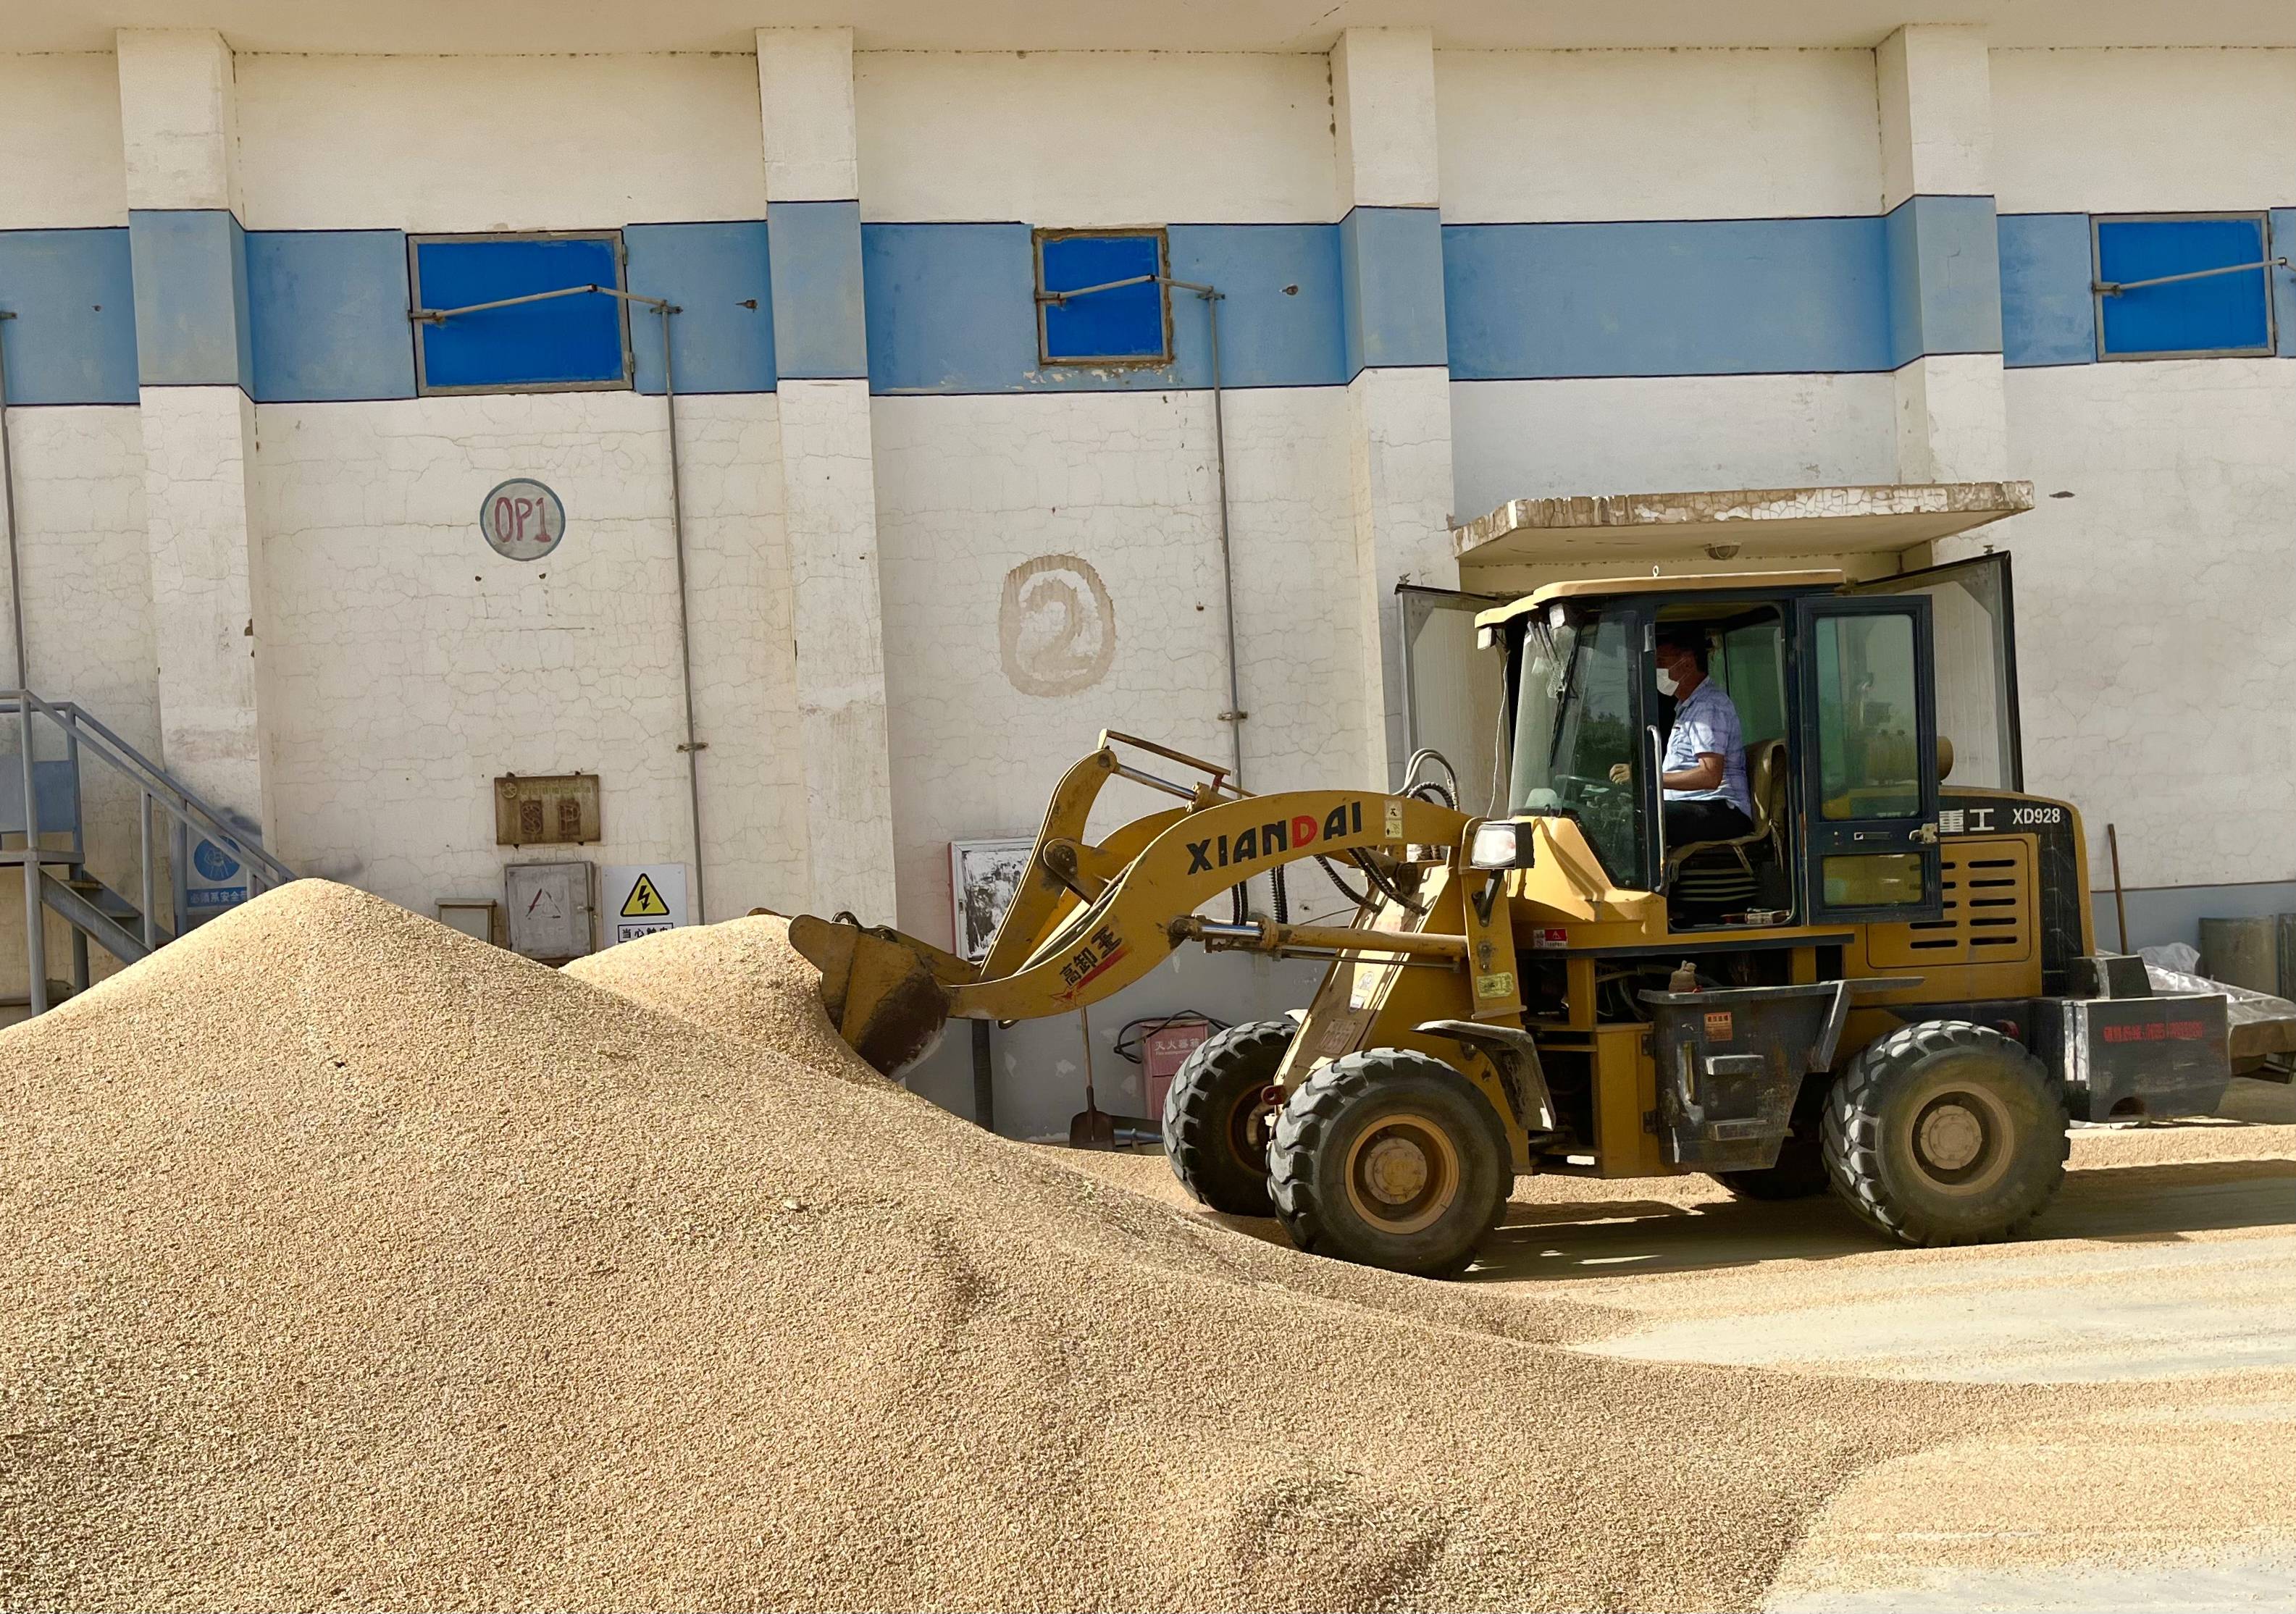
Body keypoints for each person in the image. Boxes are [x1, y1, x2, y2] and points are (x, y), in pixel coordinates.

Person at [1610, 625, 1756, 845]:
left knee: (1633, 823)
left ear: (1687, 663)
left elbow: (1710, 776)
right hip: (1697, 804)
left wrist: (1646, 777)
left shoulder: (1708, 706)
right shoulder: (1689, 706)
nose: (1656, 670)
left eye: (1661, 662)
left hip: (1719, 808)